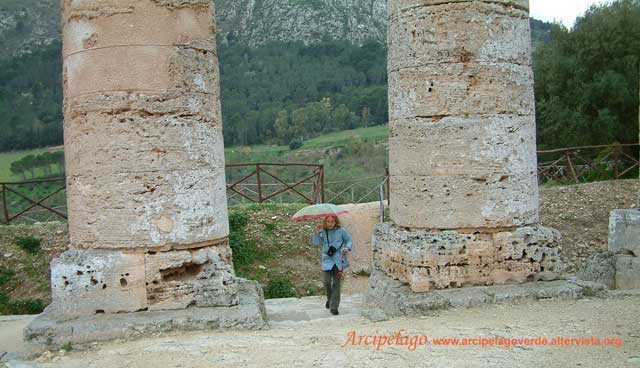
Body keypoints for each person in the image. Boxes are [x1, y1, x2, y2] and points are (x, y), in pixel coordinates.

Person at [312, 216, 352, 316]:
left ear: (336, 222)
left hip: (339, 260)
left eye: (332, 221)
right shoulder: (323, 232)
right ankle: (329, 299)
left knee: (336, 284)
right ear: (325, 222)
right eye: (328, 221)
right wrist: (316, 233)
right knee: (326, 282)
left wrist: (347, 248)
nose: (330, 223)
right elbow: (316, 243)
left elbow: (349, 240)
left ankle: (334, 307)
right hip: (327, 260)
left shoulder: (341, 231)